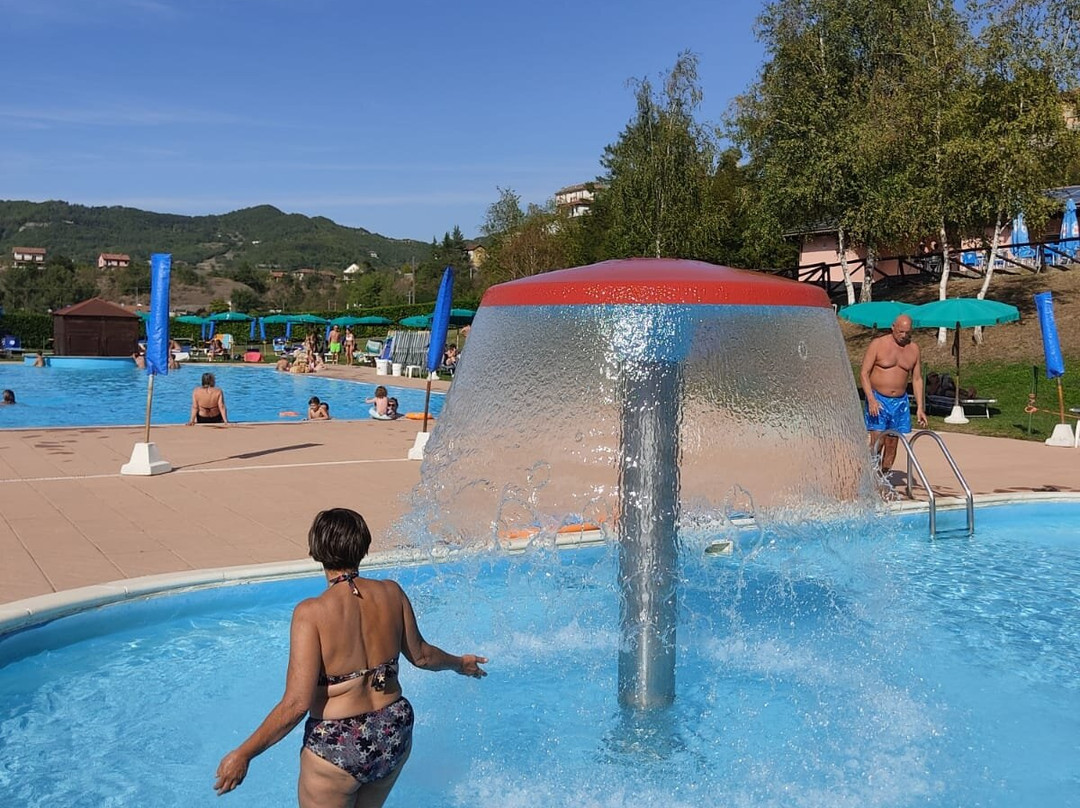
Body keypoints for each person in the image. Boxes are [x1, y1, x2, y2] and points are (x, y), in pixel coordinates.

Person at [214, 508, 487, 804]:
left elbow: (296, 704)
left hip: (338, 742)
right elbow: (421, 656)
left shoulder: (311, 613)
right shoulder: (392, 593)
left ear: (315, 550)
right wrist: (460, 663)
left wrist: (244, 754)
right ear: (363, 548)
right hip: (393, 729)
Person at [860, 313, 926, 473]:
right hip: (878, 399)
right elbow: (864, 373)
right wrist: (871, 399)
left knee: (892, 444)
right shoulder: (878, 344)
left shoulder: (914, 349)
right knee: (878, 440)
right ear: (893, 327)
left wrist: (920, 407)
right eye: (901, 331)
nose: (904, 336)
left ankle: (883, 479)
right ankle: (870, 477)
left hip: (900, 402)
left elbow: (917, 379)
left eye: (907, 332)